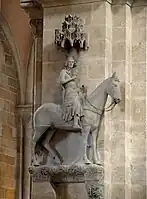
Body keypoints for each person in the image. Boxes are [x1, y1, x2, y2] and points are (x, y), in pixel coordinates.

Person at [59, 56, 86, 128]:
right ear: (66, 63)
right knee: (76, 103)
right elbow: (62, 81)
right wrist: (71, 79)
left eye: (72, 62)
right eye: (69, 62)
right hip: (68, 92)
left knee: (82, 100)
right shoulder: (63, 72)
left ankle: (80, 120)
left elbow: (75, 85)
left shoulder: (72, 73)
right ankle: (75, 124)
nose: (71, 63)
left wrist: (80, 88)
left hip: (74, 92)